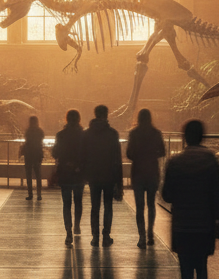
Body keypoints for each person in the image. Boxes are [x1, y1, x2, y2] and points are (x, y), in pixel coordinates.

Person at [161, 119, 219, 279]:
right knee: (202, 267)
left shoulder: (175, 162)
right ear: (202, 137)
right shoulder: (211, 161)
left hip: (183, 226)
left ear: (184, 137)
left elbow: (167, 195)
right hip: (205, 225)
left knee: (186, 275)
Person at [82, 104, 123, 246]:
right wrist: (119, 182)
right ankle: (106, 235)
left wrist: (84, 174)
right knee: (108, 206)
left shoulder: (87, 134)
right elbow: (117, 160)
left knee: (94, 207)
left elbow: (84, 156)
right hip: (109, 176)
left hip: (93, 175)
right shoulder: (113, 134)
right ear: (106, 115)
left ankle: (95, 236)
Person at [126, 108, 166, 248]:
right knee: (151, 205)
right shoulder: (156, 133)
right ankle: (150, 233)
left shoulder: (133, 133)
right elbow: (162, 151)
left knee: (139, 206)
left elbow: (129, 153)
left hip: (138, 172)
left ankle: (141, 236)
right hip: (152, 171)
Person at [52, 109, 85, 246]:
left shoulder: (61, 135)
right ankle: (77, 225)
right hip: (78, 173)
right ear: (79, 119)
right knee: (78, 201)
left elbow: (55, 153)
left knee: (66, 204)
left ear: (66, 119)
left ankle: (68, 232)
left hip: (65, 173)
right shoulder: (83, 135)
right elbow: (86, 154)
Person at [20, 114, 45, 201]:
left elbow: (27, 142)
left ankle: (30, 194)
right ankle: (39, 194)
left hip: (29, 155)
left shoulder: (28, 131)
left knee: (29, 175)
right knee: (38, 175)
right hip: (37, 154)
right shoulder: (40, 131)